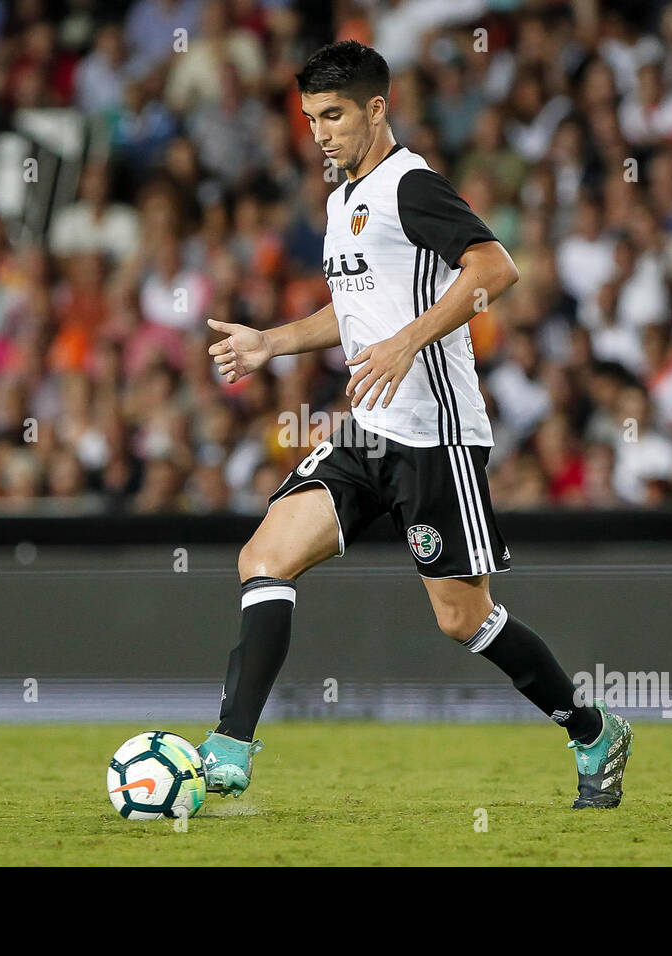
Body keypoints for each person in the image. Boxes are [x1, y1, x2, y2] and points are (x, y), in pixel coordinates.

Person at [199, 41, 633, 809]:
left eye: (333, 116)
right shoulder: (342, 202)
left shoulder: (411, 185)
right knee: (263, 557)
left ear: (375, 108)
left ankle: (592, 729)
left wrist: (406, 340)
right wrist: (271, 341)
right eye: (309, 119)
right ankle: (231, 744)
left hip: (435, 435)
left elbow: (496, 269)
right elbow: (354, 311)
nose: (320, 133)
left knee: (462, 619)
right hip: (366, 431)